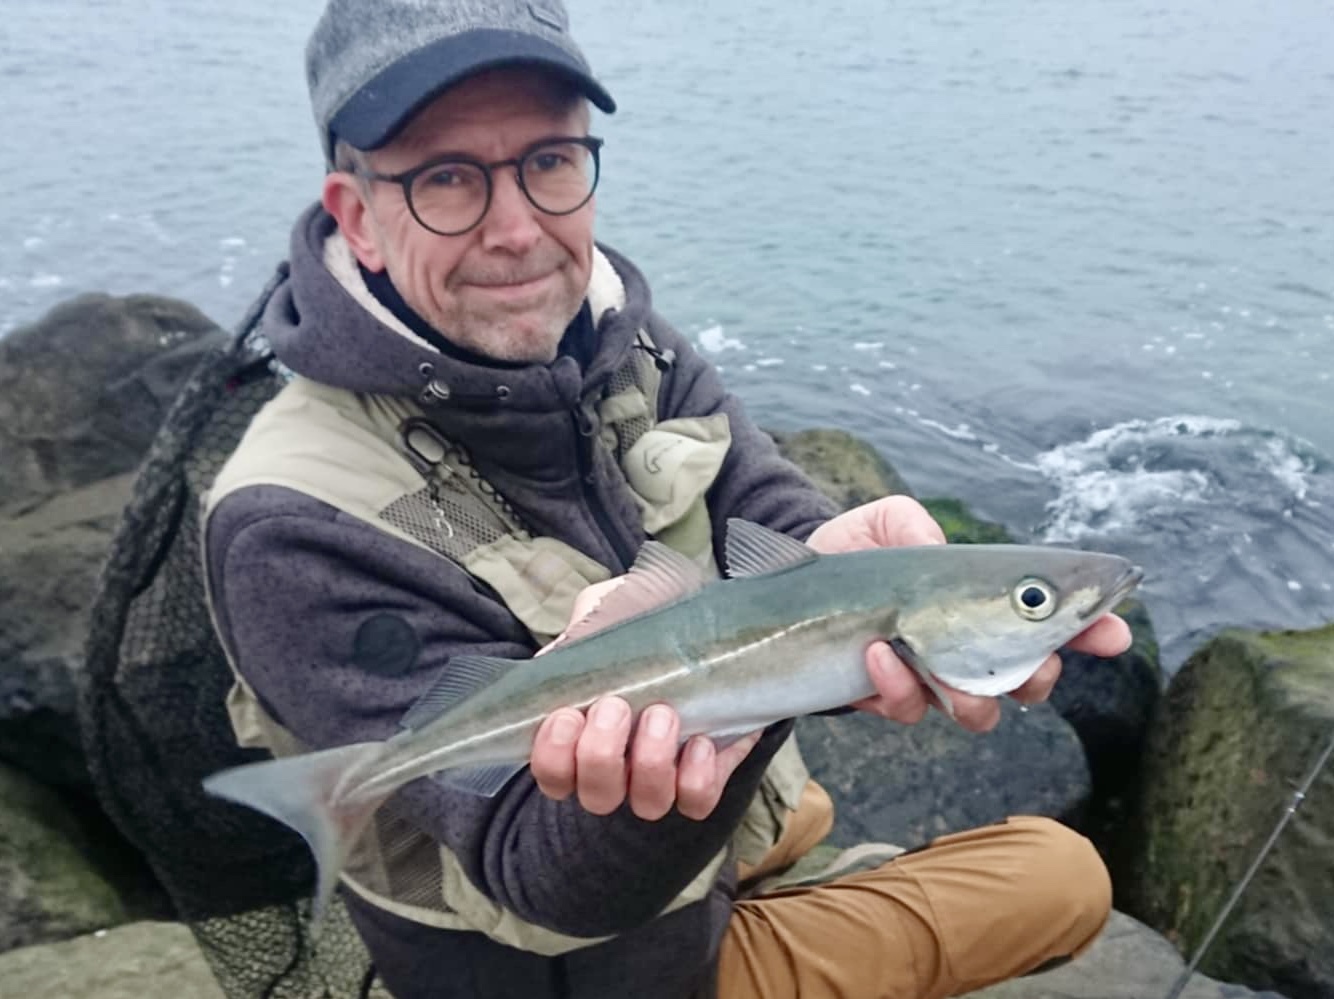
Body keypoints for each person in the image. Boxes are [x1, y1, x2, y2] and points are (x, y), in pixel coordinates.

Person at [200, 1, 1132, 996]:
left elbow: (755, 498)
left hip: (719, 860)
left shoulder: (617, 337)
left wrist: (832, 550)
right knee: (1062, 877)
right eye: (447, 179)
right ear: (357, 217)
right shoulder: (287, 525)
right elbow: (535, 872)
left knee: (891, 833)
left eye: (549, 161)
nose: (516, 231)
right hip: (601, 971)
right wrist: (726, 716)